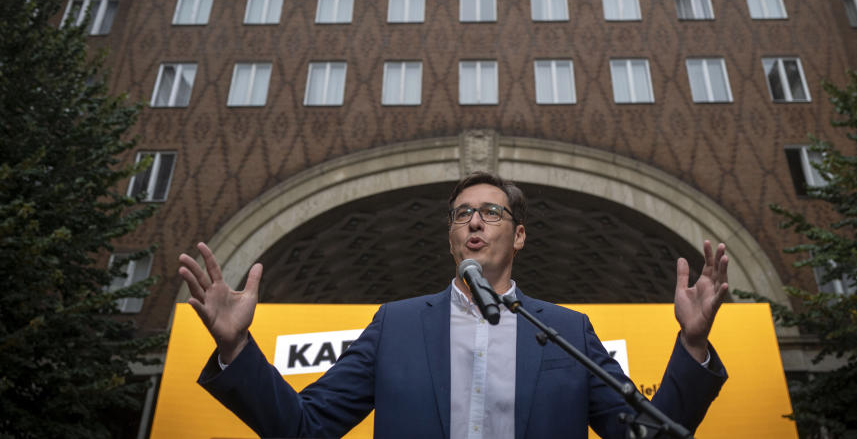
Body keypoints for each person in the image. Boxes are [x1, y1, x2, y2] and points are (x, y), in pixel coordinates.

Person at [179, 171, 729, 438]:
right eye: (462, 213)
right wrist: (235, 347)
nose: (473, 221)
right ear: (449, 236)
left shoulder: (567, 330)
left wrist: (694, 343)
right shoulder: (395, 326)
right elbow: (303, 426)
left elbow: (649, 437)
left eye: (491, 213)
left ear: (518, 237)